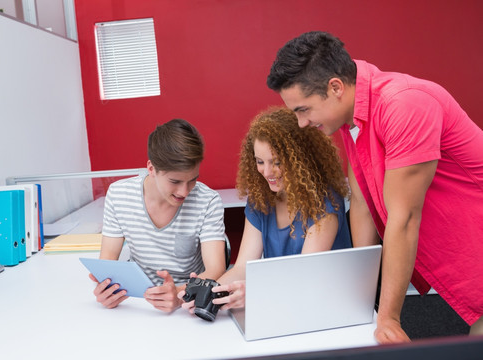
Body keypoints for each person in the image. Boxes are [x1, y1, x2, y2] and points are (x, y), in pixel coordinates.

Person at [266, 31, 483, 343]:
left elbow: (404, 218)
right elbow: (364, 202)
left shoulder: (404, 105)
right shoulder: (350, 117)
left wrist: (389, 319)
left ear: (335, 88)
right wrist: (362, 297)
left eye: (303, 109)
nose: (301, 123)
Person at [181, 107, 351, 312]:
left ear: (301, 160)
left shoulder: (325, 202)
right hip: (280, 302)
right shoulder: (261, 200)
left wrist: (253, 292)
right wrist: (210, 291)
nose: (267, 172)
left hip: (324, 303)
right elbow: (243, 267)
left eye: (277, 162)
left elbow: (304, 275)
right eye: (260, 162)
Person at [89, 119, 227, 313]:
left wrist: (179, 294)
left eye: (193, 180)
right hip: (136, 303)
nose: (185, 191)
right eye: (175, 181)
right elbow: (108, 259)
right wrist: (107, 290)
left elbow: (216, 269)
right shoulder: (118, 194)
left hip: (187, 301)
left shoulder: (208, 201)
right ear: (151, 169)